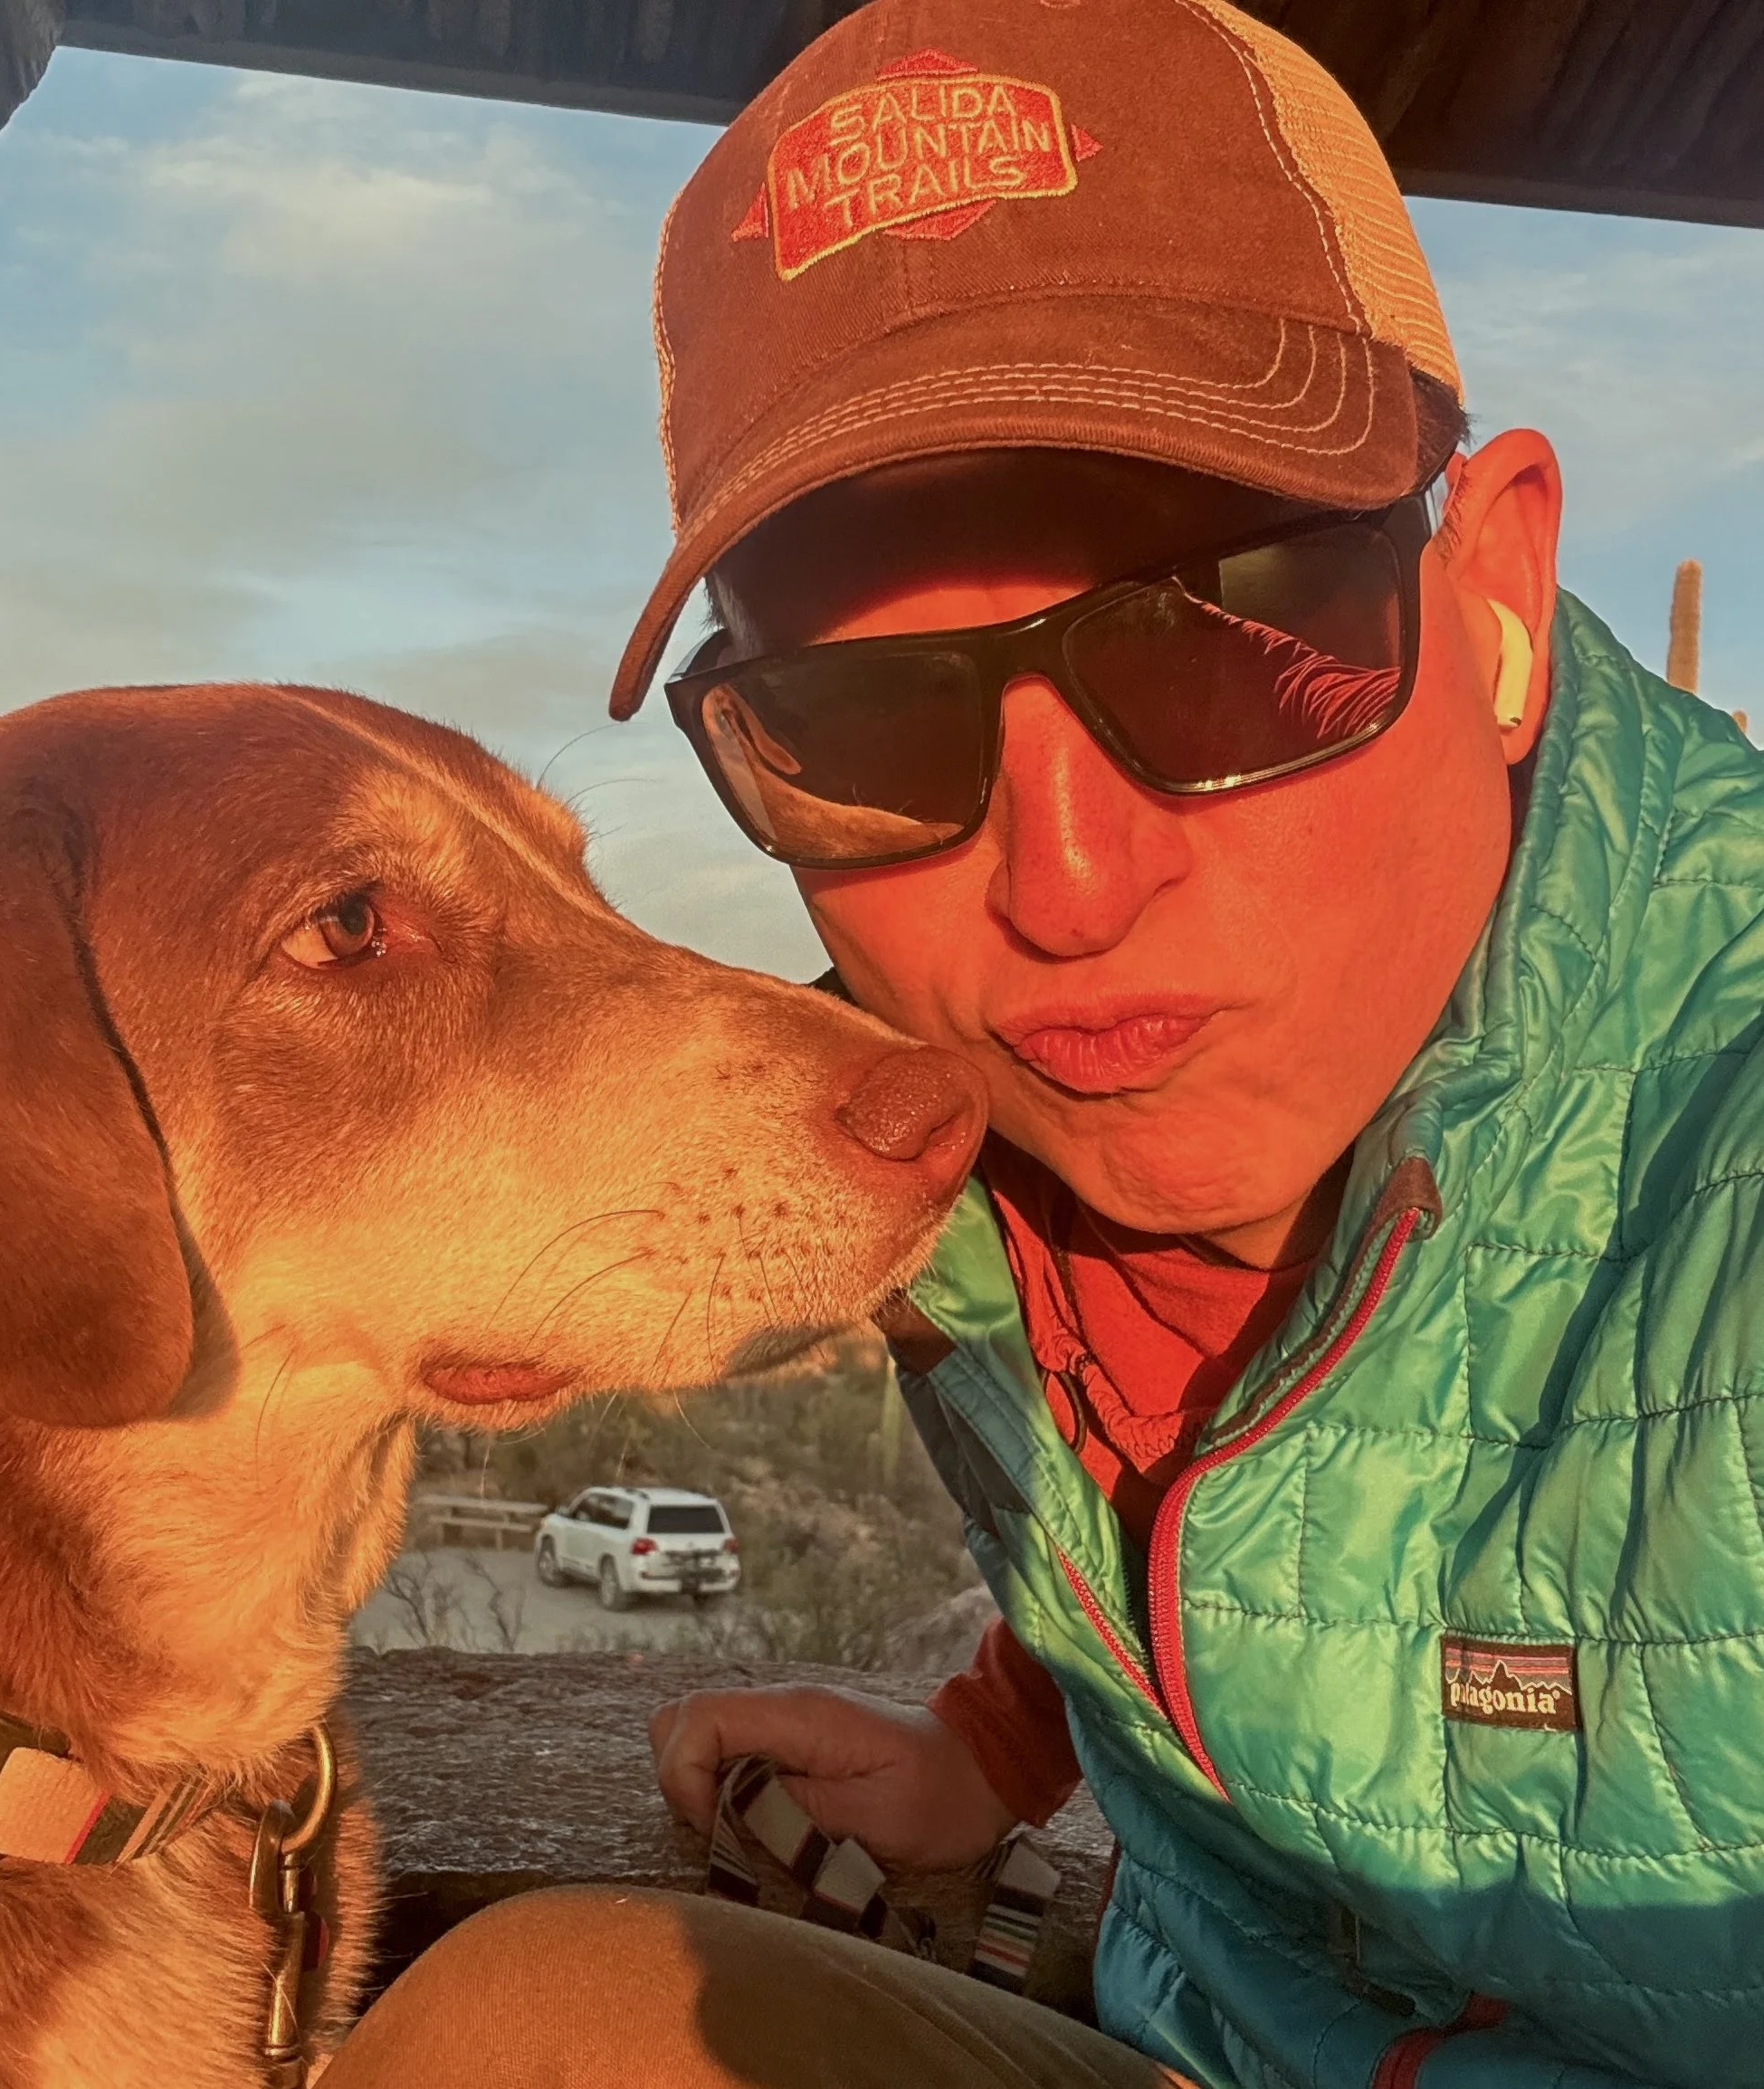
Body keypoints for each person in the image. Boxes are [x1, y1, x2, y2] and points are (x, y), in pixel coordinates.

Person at [326, 2, 1764, 2084]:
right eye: (862, 724)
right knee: (519, 2024)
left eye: (1226, 645)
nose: (1064, 887)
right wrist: (1002, 1741)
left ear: (1496, 592)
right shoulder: (913, 1137)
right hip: (1188, 2026)